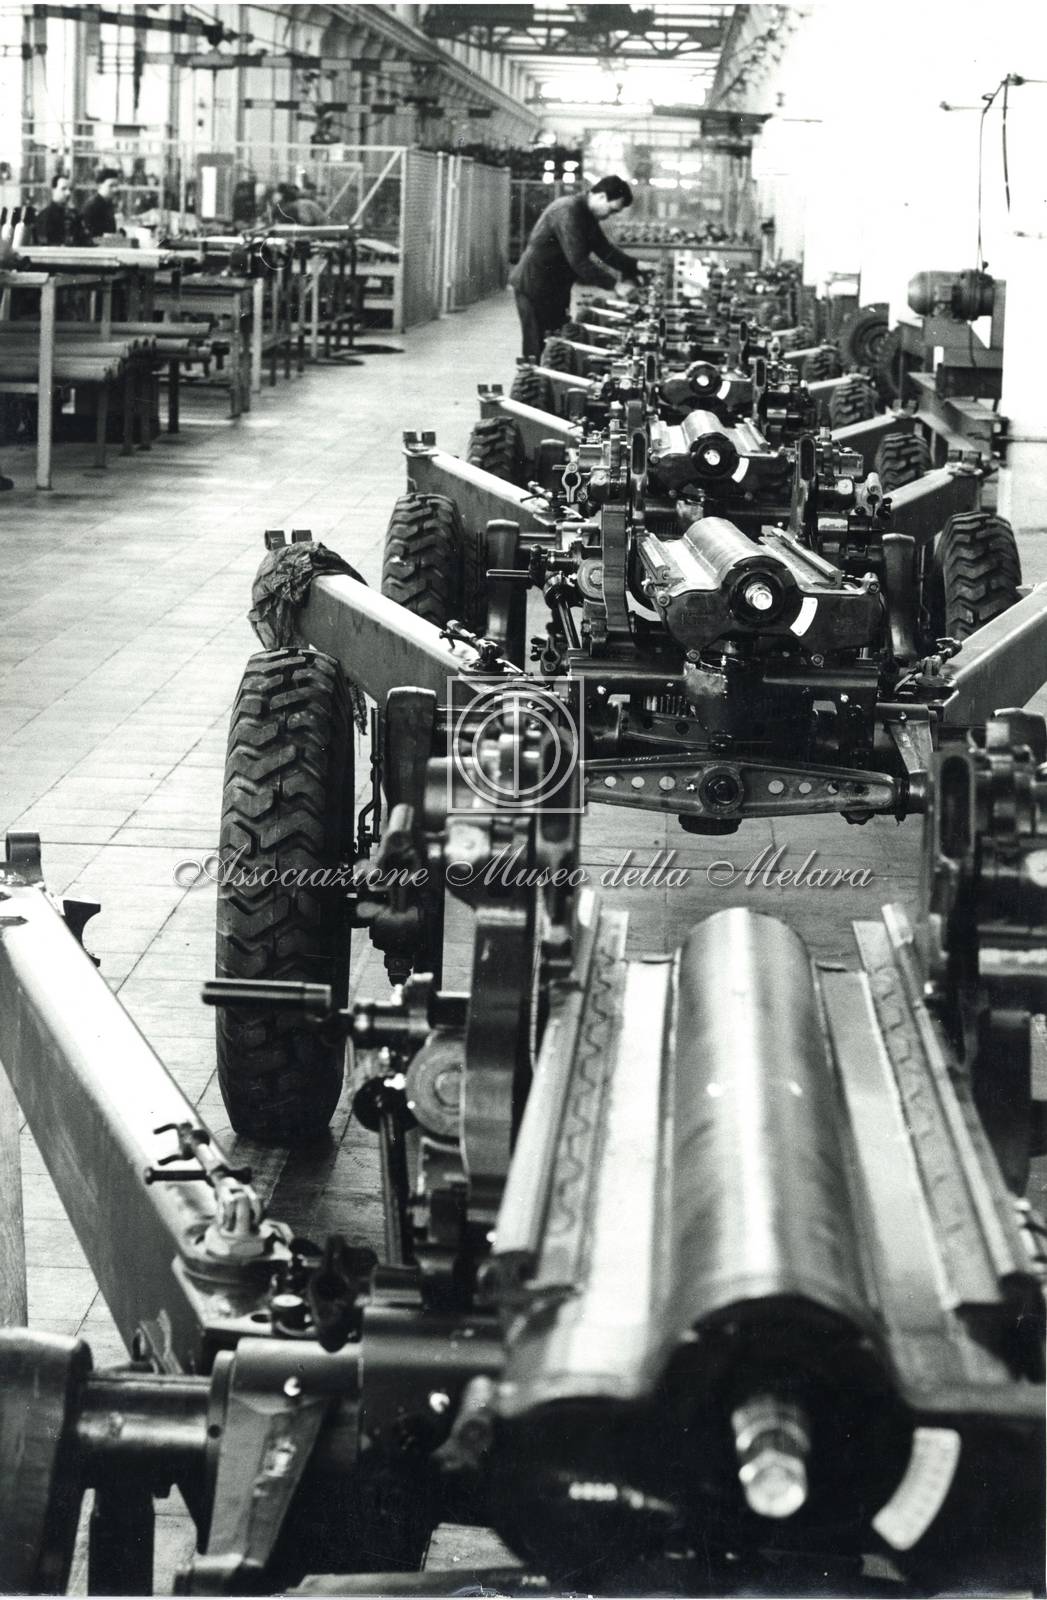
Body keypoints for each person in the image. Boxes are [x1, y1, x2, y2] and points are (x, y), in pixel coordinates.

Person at [509, 174, 641, 360]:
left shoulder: (586, 215)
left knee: (557, 345)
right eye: (611, 210)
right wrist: (615, 285)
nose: (608, 216)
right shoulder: (568, 211)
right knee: (537, 348)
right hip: (534, 285)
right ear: (601, 196)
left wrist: (636, 265)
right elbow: (578, 261)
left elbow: (605, 250)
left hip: (555, 287)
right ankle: (531, 377)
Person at [35, 174, 90, 246]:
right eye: (63, 189)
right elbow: (45, 245)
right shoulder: (45, 216)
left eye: (70, 189)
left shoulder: (74, 215)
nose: (68, 193)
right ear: (53, 190)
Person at [80, 169, 121, 239]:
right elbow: (90, 234)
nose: (115, 189)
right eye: (111, 186)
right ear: (99, 185)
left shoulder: (108, 204)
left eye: (116, 185)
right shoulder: (92, 206)